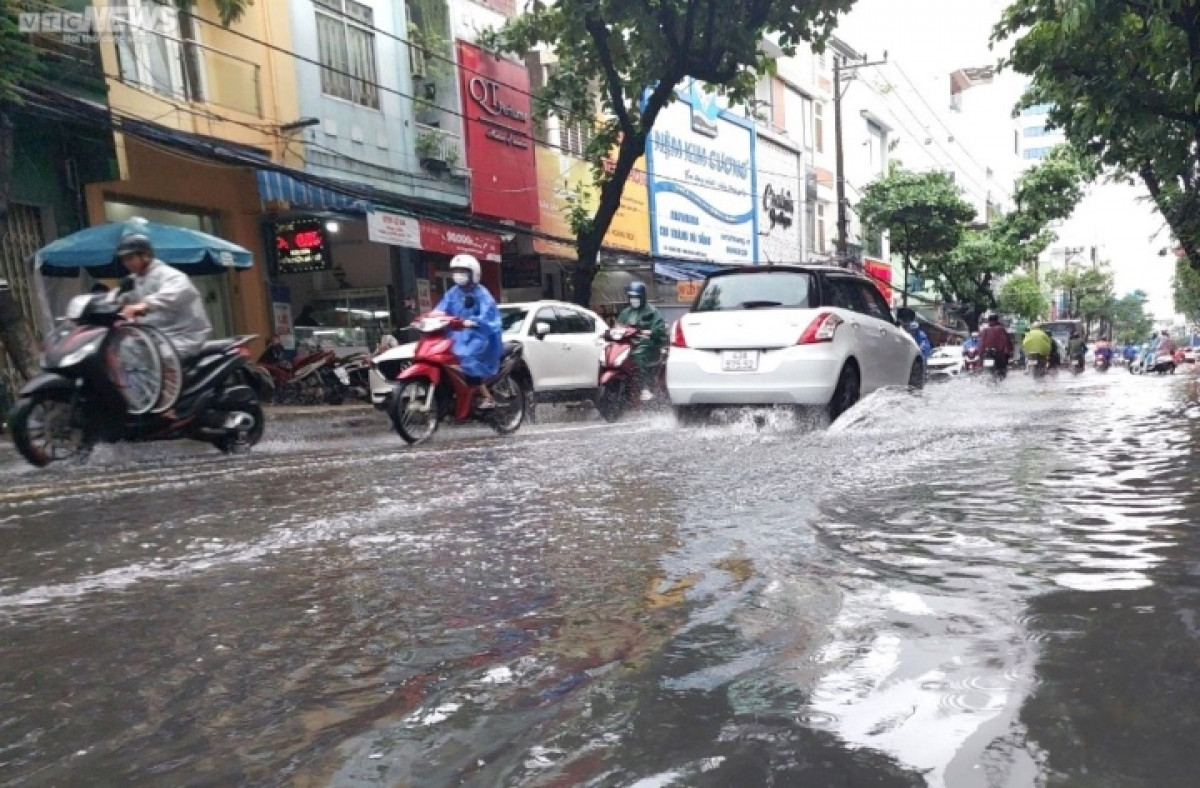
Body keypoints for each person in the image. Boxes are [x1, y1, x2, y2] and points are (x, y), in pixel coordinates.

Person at [115, 233, 212, 360]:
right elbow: (117, 298)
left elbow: (175, 293)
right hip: (156, 336)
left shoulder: (170, 275)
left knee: (157, 360)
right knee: (122, 352)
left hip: (182, 337)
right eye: (124, 260)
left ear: (145, 255)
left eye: (130, 258)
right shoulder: (134, 280)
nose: (127, 263)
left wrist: (144, 304)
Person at [433, 254, 503, 408]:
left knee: (464, 357)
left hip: (480, 336)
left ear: (473, 273)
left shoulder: (482, 293)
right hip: (456, 334)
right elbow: (440, 310)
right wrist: (431, 319)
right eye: (456, 271)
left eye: (462, 271)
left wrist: (474, 322)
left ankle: (487, 396)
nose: (458, 275)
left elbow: (488, 315)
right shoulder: (452, 293)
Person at [615, 281, 668, 401]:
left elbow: (659, 330)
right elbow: (618, 326)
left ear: (642, 297)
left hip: (648, 345)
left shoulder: (652, 312)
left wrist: (648, 333)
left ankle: (645, 386)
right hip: (628, 344)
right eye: (631, 297)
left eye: (636, 297)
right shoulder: (625, 312)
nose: (634, 299)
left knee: (638, 355)